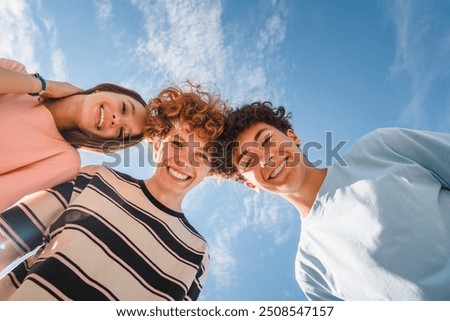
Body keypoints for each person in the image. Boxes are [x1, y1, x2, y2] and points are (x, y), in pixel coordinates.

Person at [0, 82, 226, 301]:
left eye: (201, 156)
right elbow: (7, 238)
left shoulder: (196, 254)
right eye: (177, 144)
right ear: (157, 145)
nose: (183, 161)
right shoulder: (94, 179)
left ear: (209, 170)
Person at [216, 101, 450, 300]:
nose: (266, 158)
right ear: (251, 185)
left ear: (293, 137)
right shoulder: (310, 271)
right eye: (248, 161)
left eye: (266, 141)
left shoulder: (381, 147)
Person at [0, 58, 148, 212]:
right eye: (123, 108)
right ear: (105, 90)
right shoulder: (17, 73)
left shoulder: (65, 161)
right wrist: (43, 86)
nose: (116, 120)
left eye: (121, 131)